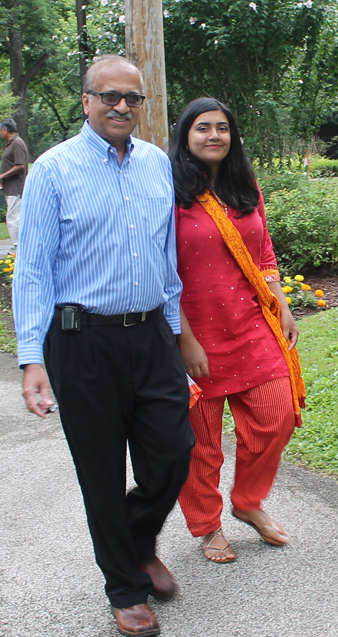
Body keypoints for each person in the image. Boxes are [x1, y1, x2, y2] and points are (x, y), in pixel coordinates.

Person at [13, 55, 194, 637]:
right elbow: (33, 270)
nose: (122, 106)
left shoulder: (156, 166)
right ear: (87, 100)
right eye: (110, 96)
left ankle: (138, 542)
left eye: (132, 99)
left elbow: (167, 256)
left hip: (150, 334)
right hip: (81, 342)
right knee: (100, 471)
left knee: (172, 454)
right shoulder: (52, 170)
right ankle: (124, 585)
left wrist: (173, 330)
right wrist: (31, 358)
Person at [169, 97, 305, 563]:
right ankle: (207, 525)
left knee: (277, 416)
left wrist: (282, 302)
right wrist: (183, 338)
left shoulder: (244, 186)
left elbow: (263, 252)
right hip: (194, 336)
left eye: (222, 128)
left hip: (251, 324)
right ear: (185, 136)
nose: (213, 136)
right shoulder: (168, 191)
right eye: (203, 128)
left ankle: (247, 501)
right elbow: (159, 272)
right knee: (200, 443)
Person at [0, 118, 28, 251]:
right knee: (14, 216)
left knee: (13, 218)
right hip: (10, 188)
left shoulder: (17, 143)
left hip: (16, 188)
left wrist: (2, 175)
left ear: (5, 129)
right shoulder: (11, 144)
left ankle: (18, 248)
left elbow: (20, 165)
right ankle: (18, 246)